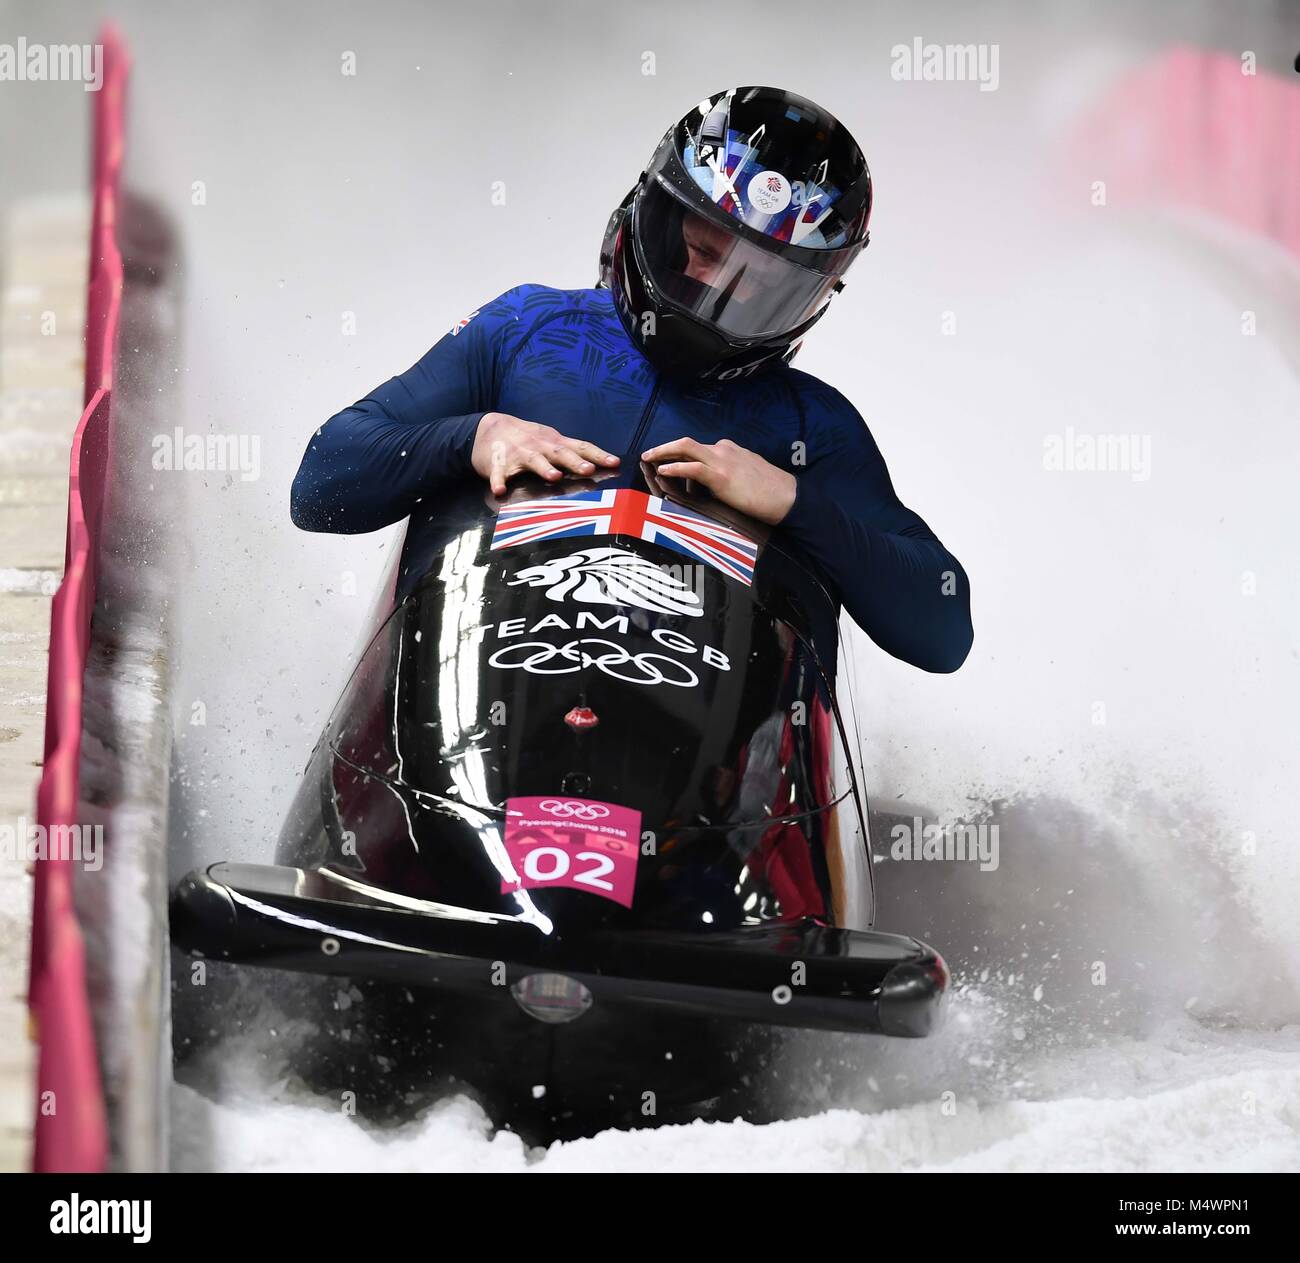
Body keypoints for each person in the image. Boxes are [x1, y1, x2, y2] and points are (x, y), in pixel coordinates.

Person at [291, 86, 973, 674]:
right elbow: (319, 484)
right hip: (483, 687)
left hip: (697, 770)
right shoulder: (527, 327)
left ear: (811, 297)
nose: (712, 288)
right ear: (654, 214)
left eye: (758, 283)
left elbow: (944, 630)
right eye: (703, 250)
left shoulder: (812, 429)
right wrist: (472, 437)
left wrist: (794, 501)